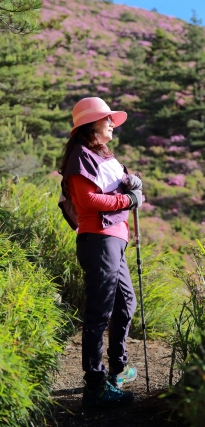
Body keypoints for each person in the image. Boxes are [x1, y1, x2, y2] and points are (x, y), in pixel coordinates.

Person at [59, 96, 143, 409]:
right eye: (106, 119)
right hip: (98, 239)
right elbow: (89, 200)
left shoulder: (99, 155)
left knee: (125, 304)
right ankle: (95, 386)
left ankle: (117, 369)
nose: (111, 124)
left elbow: (117, 183)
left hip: (114, 239)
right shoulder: (80, 157)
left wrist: (130, 180)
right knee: (99, 311)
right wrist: (128, 201)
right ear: (90, 124)